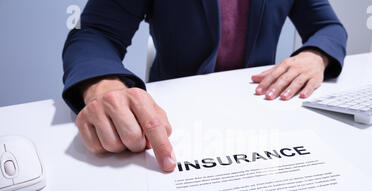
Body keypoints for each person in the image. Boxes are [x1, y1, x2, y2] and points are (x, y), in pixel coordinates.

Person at [62, 0, 347, 172]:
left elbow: (328, 27)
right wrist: (102, 84)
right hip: (173, 125)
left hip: (263, 114)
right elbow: (94, 33)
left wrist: (316, 55)